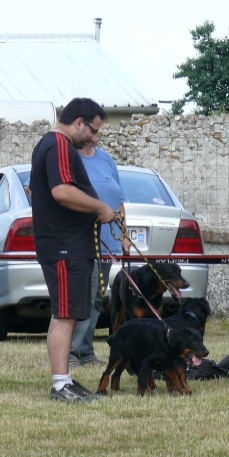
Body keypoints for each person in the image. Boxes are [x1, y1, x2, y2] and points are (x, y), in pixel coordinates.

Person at [30, 97, 116, 402]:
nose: (94, 138)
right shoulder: (59, 144)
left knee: (66, 313)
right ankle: (60, 385)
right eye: (93, 130)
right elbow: (62, 191)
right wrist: (101, 207)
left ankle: (65, 379)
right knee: (65, 315)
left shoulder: (54, 144)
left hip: (69, 245)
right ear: (79, 121)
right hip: (64, 246)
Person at [69, 130, 130, 368]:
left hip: (107, 243)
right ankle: (72, 354)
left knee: (96, 298)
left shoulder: (106, 159)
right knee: (83, 297)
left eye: (98, 132)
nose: (96, 137)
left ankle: (86, 352)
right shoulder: (69, 159)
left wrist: (124, 234)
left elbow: (120, 201)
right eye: (92, 131)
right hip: (83, 242)